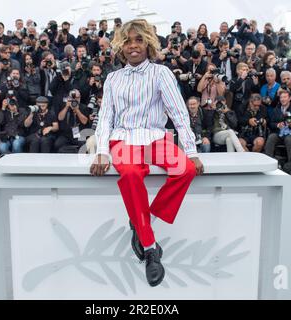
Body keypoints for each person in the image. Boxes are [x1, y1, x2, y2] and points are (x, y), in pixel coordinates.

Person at [90, 19, 204, 288]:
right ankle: (151, 248)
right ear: (121, 46)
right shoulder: (112, 78)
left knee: (184, 169)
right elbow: (105, 118)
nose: (133, 46)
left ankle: (141, 222)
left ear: (148, 43)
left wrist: (191, 150)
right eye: (128, 41)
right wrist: (102, 151)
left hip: (155, 137)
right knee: (130, 173)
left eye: (138, 40)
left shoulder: (161, 73)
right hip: (123, 139)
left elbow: (178, 113)